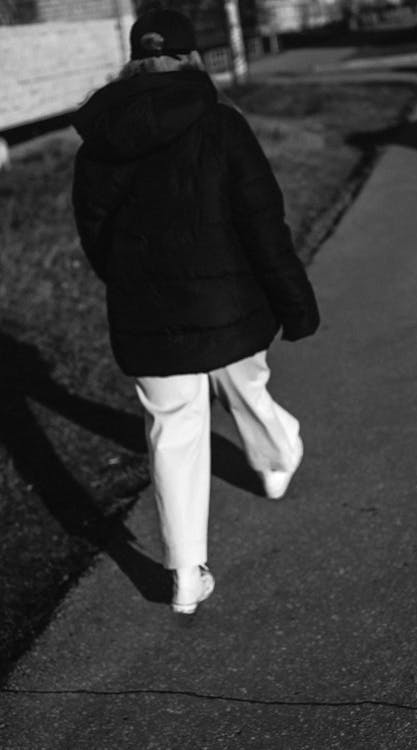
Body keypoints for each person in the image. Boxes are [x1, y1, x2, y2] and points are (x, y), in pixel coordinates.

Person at [72, 9, 320, 614]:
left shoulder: (101, 136)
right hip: (228, 302)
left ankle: (186, 573)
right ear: (191, 58)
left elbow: (94, 232)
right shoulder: (220, 124)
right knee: (245, 386)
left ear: (135, 59)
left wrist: (131, 281)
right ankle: (278, 456)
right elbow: (263, 221)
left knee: (173, 432)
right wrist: (295, 301)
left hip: (147, 311)